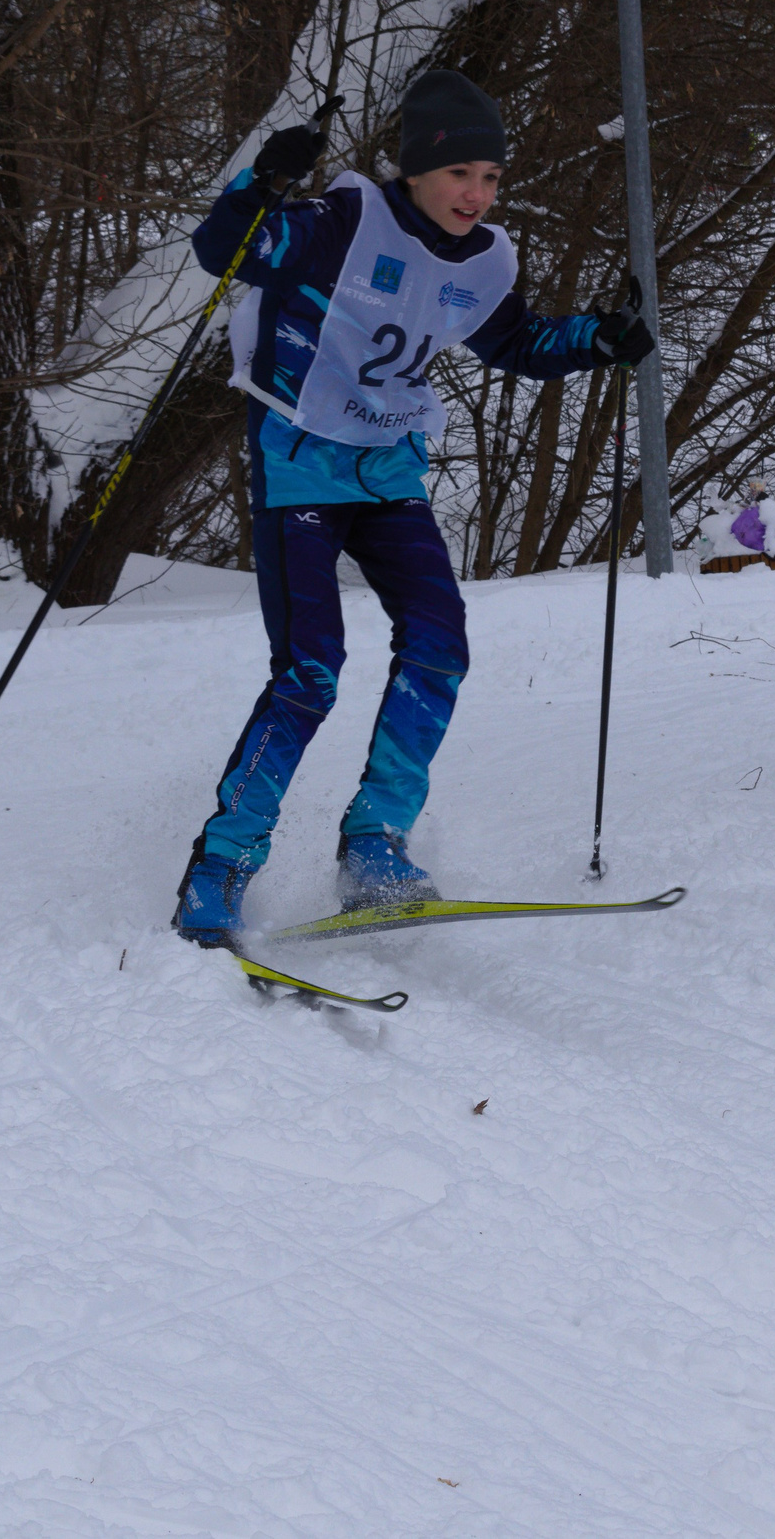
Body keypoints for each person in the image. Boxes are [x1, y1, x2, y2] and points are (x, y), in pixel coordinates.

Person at [170, 70, 655, 945]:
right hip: (300, 461)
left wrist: (597, 336)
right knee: (310, 672)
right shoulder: (341, 226)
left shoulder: (487, 259)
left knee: (439, 644)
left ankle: (375, 845)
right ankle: (224, 863)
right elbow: (224, 250)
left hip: (388, 470)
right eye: (461, 173)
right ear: (419, 170)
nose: (478, 194)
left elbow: (517, 342)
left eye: (493, 178)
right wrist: (263, 178)